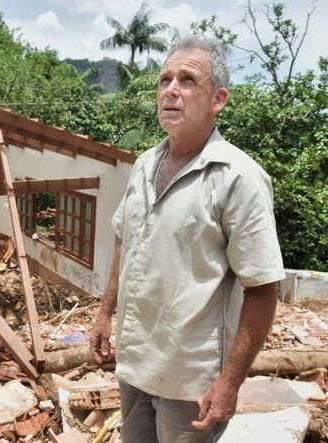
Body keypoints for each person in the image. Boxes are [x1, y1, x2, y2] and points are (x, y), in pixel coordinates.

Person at [89, 34, 285, 443]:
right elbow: (124, 238)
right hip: (136, 362)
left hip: (190, 381)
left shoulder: (238, 178)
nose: (171, 90)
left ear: (218, 99)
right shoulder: (144, 164)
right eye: (165, 80)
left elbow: (264, 287)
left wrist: (229, 383)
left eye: (188, 80)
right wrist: (106, 312)